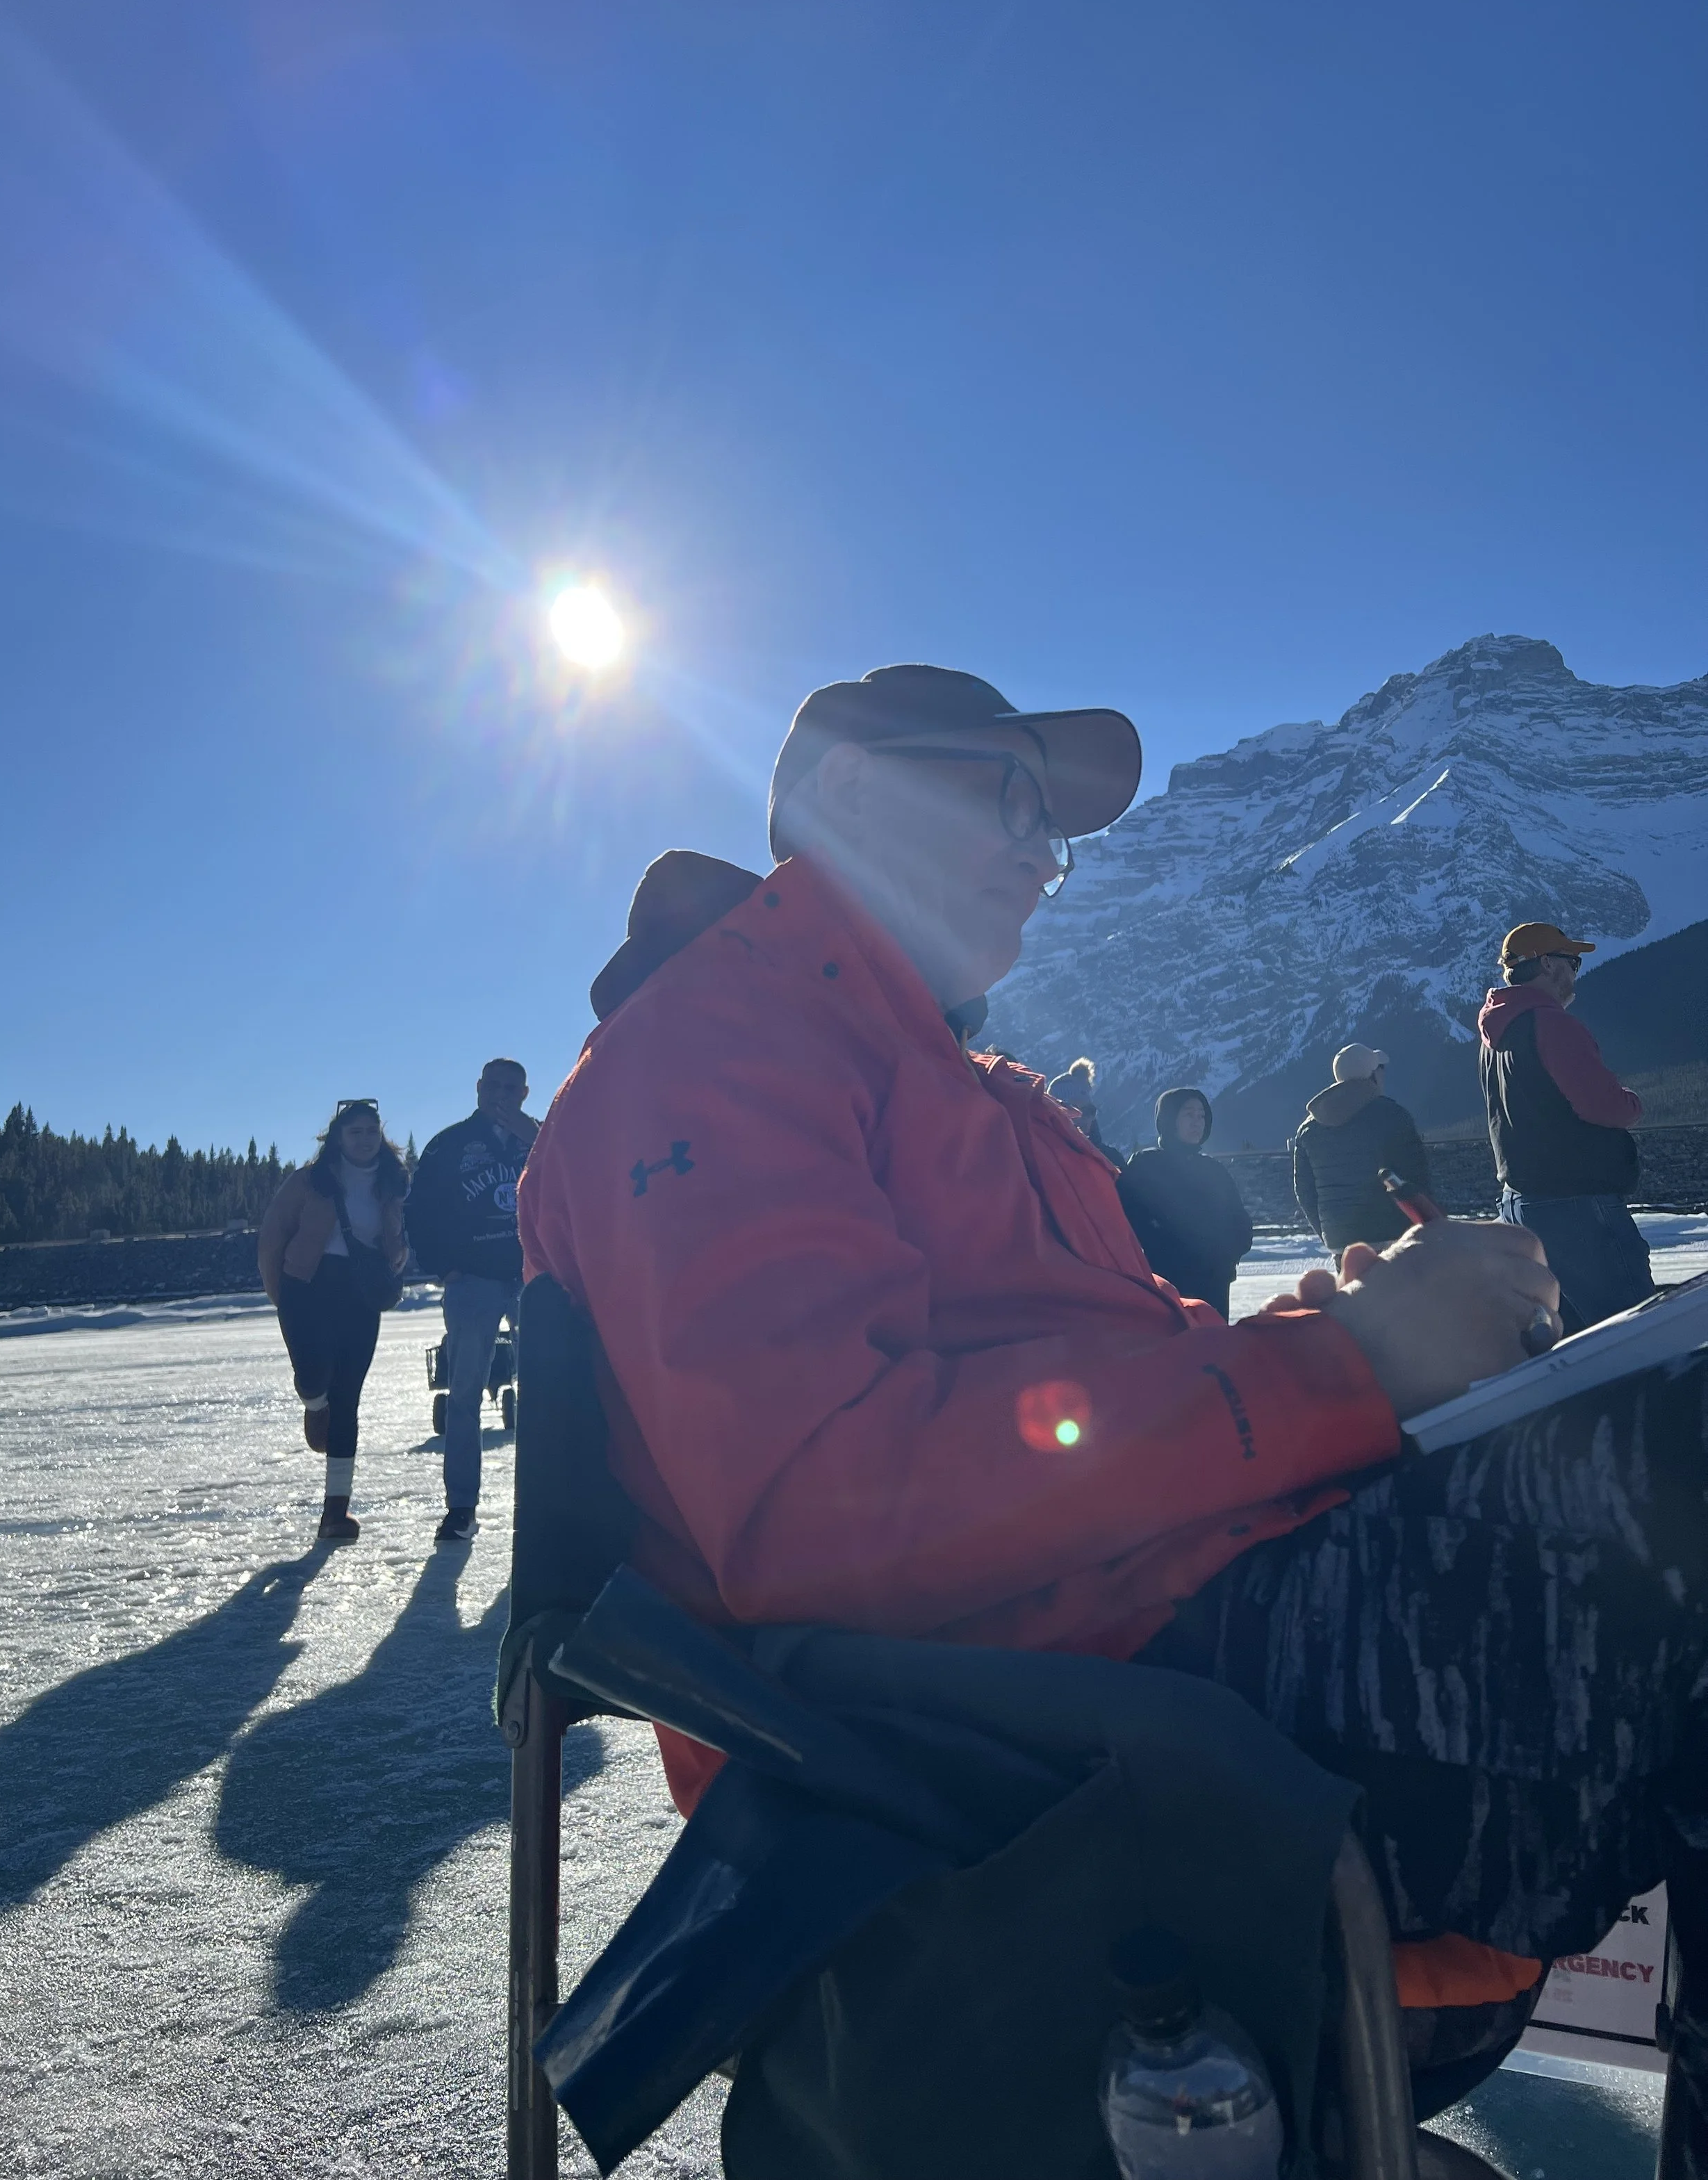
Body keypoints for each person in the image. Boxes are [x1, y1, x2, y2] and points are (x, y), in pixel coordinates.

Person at [516, 661, 1708, 2156]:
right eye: (1005, 797)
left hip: (1172, 1651)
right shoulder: (707, 1054)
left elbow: (1079, 1396)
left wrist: (1346, 1325)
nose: (1040, 853)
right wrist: (1345, 1364)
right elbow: (825, 1507)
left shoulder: (963, 1078)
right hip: (1025, 1759)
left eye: (1050, 826)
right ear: (845, 799)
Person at [1480, 921, 1653, 1329]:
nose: (1576, 972)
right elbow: (1605, 1107)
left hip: (1522, 1202)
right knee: (1631, 1329)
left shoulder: (1498, 1032)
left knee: (1570, 1339)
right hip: (1576, 1203)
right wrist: (1632, 1102)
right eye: (1571, 962)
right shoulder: (1553, 1023)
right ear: (1546, 964)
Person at [258, 1098, 409, 1545]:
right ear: (338, 1138)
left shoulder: (392, 1182)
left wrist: (398, 1256)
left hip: (360, 1292)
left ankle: (335, 1513)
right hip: (307, 1286)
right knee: (313, 1370)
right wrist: (279, 1295)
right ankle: (313, 1402)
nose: (364, 1140)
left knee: (350, 1399)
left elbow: (395, 1235)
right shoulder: (310, 1181)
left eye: (371, 1131)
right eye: (354, 1132)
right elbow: (272, 1237)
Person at [404, 1058, 539, 1541]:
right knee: (463, 1394)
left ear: (525, 1092)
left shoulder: (546, 1137)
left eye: (511, 1087)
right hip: (474, 1282)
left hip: (535, 1278)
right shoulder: (450, 1145)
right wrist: (445, 1267)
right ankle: (462, 1506)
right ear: (479, 1088)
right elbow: (418, 1210)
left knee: (549, 1395)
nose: (501, 1094)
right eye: (493, 1085)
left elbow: (581, 1181)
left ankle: (543, 1503)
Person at [1114, 1087, 1253, 1318]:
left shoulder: (1214, 1170)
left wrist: (1228, 1254)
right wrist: (1163, 1250)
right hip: (1165, 1281)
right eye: (1189, 1114)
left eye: (1201, 1115)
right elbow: (1128, 1220)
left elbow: (1239, 1220)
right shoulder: (1147, 1166)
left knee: (1212, 1347)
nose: (1197, 1122)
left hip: (1213, 1282)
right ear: (1169, 1119)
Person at [1291, 1043, 1430, 1264]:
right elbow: (1417, 1178)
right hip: (1393, 1235)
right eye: (1380, 1069)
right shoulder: (1393, 1116)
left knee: (1355, 1297)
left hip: (1341, 1243)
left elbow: (1305, 1192)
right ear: (1372, 1076)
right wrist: (1426, 1225)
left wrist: (1330, 1232)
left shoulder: (1308, 1129)